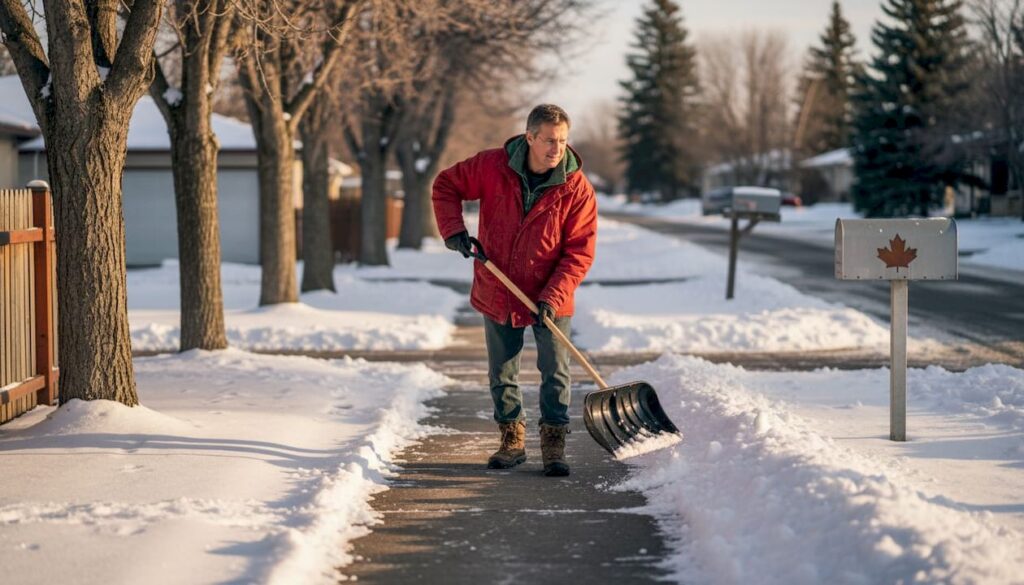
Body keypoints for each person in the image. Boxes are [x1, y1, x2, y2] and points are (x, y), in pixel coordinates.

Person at [432, 104, 598, 477]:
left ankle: (554, 442)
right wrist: (454, 231)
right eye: (550, 140)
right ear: (530, 138)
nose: (558, 149)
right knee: (503, 369)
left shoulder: (576, 188)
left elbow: (579, 252)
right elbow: (446, 185)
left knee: (555, 370)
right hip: (500, 286)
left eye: (563, 140)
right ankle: (512, 439)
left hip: (552, 292)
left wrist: (552, 297)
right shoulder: (493, 167)